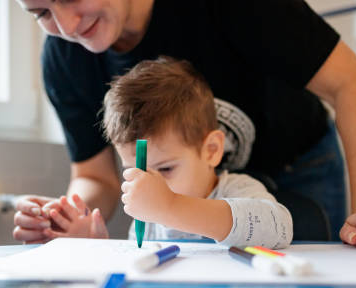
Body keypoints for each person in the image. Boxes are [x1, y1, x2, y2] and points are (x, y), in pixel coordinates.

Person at [13, 0, 356, 258]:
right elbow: (93, 177)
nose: (66, 26)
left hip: (298, 159)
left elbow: (352, 85)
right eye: (41, 12)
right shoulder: (64, 58)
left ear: (214, 147)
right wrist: (68, 216)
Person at [43, 57, 293, 249]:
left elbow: (279, 228)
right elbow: (139, 267)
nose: (151, 185)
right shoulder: (149, 213)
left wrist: (171, 206)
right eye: (135, 171)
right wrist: (94, 245)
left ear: (212, 150)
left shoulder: (236, 190)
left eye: (165, 169)